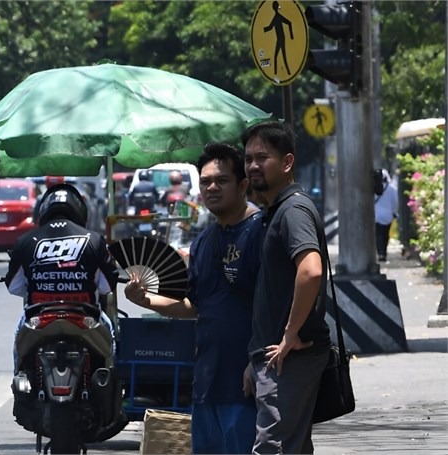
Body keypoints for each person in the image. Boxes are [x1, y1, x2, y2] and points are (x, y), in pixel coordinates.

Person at [125, 143, 262, 454]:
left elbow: (277, 306)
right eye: (205, 181)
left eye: (222, 180)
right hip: (206, 384)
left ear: (243, 185)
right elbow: (195, 307)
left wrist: (258, 362)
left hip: (248, 384)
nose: (212, 187)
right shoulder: (203, 243)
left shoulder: (262, 233)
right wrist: (146, 300)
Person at [242, 121, 331, 454]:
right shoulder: (276, 211)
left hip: (291, 356)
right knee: (292, 447)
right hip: (275, 356)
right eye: (248, 158)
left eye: (262, 157)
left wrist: (290, 333)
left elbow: (310, 271)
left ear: (287, 163)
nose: (252, 165)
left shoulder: (292, 210)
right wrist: (255, 358)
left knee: (272, 447)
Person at [1, 183, 119, 396]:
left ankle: (20, 378)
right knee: (111, 338)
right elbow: (106, 286)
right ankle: (112, 387)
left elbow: (14, 287)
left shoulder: (25, 241)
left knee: (18, 346)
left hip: (38, 318)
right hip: (86, 318)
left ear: (43, 210)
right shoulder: (94, 240)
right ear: (81, 211)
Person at [374, 168, 398, 262]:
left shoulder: (374, 188)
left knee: (378, 234)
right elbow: (395, 202)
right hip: (388, 215)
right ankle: (384, 252)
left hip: (376, 215)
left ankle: (380, 253)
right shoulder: (392, 189)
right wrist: (394, 212)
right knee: (385, 234)